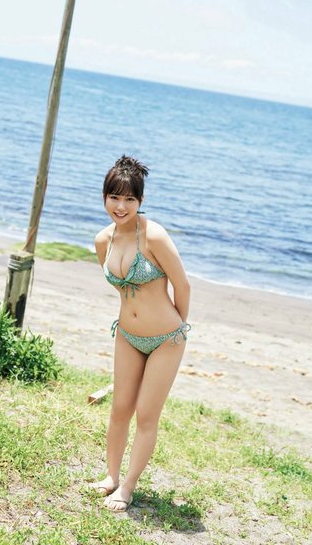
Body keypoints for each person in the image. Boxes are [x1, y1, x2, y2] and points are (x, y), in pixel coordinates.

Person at [93, 155, 191, 512]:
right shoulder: (103, 240)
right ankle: (111, 476)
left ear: (141, 200)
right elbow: (122, 291)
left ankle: (128, 488)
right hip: (127, 336)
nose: (121, 206)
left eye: (129, 199)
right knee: (120, 409)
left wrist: (177, 329)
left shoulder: (153, 235)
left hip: (166, 340)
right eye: (114, 197)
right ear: (104, 197)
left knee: (146, 415)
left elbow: (183, 285)